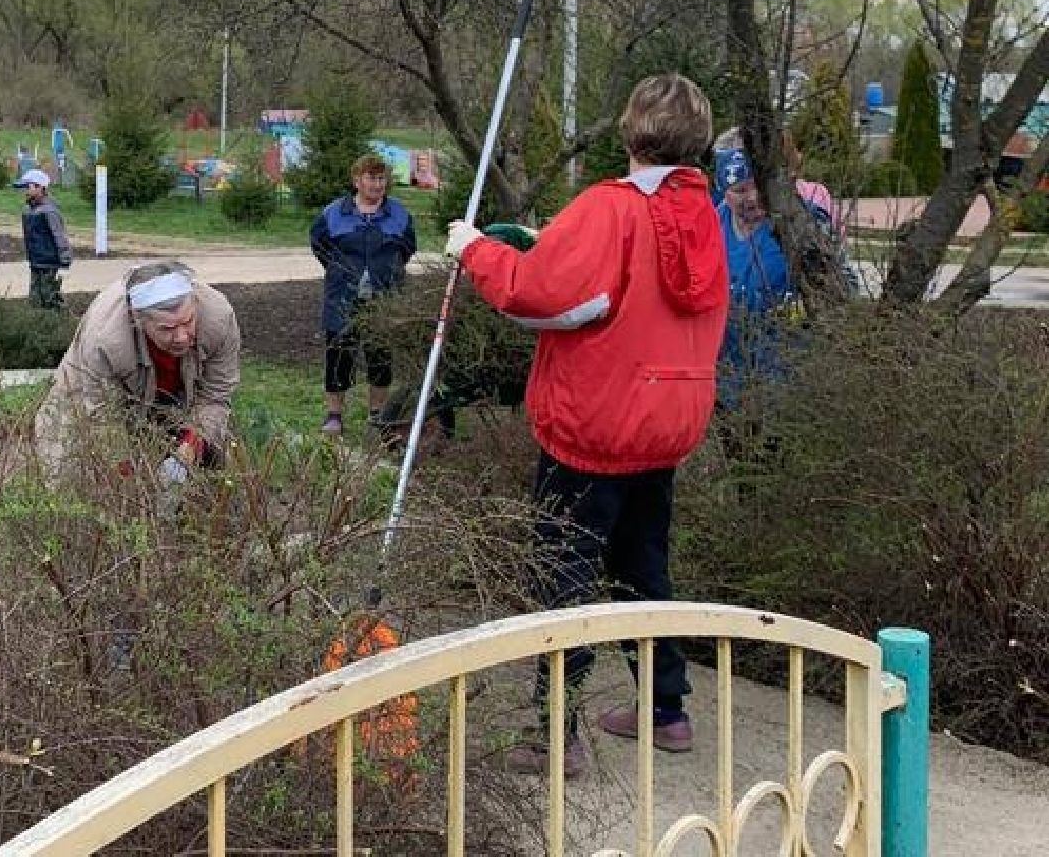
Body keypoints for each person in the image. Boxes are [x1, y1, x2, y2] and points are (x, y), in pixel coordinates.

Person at [444, 73, 728, 776]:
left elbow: (544, 297)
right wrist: (552, 244)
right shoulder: (702, 215)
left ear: (632, 131)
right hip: (664, 423)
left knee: (561, 571)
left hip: (596, 426)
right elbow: (620, 285)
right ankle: (666, 711)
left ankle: (553, 734)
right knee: (642, 565)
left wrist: (472, 249)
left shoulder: (612, 206)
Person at [33, 260, 241, 486]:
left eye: (188, 322)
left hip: (179, 393)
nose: (181, 337)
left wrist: (186, 453)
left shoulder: (218, 318)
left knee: (207, 468)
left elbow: (215, 396)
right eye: (167, 329)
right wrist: (128, 478)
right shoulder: (104, 340)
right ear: (138, 320)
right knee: (73, 477)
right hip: (90, 393)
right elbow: (104, 420)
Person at [309, 154, 417, 435]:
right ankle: (334, 415)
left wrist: (387, 272)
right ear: (357, 180)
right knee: (339, 355)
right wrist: (340, 271)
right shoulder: (334, 213)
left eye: (381, 178)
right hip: (342, 299)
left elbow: (407, 248)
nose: (377, 184)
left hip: (383, 299)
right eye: (371, 178)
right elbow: (319, 244)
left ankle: (376, 415)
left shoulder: (399, 214)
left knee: (379, 356)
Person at [715, 144, 794, 406]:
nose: (752, 197)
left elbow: (839, 283)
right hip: (723, 377)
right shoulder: (710, 227)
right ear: (723, 192)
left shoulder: (794, 226)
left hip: (780, 377)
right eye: (739, 190)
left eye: (756, 185)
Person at [14, 168, 72, 310]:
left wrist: (65, 261)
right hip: (35, 262)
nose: (25, 191)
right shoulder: (28, 210)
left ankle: (63, 323)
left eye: (28, 187)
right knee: (34, 299)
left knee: (50, 297)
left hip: (49, 263)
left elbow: (59, 236)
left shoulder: (49, 211)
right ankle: (37, 325)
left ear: (40, 188)